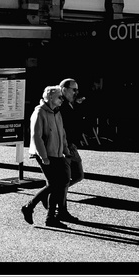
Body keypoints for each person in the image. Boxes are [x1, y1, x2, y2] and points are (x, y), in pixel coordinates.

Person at [20, 85, 73, 228]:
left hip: (57, 153)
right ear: (50, 97)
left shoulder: (57, 112)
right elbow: (36, 137)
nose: (62, 99)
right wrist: (44, 157)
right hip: (45, 154)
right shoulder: (39, 112)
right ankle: (38, 211)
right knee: (56, 184)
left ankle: (40, 213)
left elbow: (62, 133)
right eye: (59, 97)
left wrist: (66, 151)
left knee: (61, 182)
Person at [58, 78, 86, 217]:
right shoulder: (60, 105)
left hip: (72, 145)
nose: (76, 92)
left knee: (78, 175)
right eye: (73, 89)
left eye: (77, 90)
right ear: (64, 89)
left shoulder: (71, 103)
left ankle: (51, 194)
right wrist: (66, 145)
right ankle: (60, 209)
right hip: (66, 146)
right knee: (65, 178)